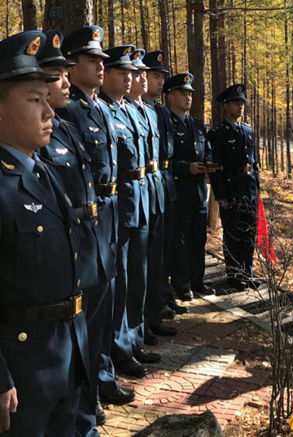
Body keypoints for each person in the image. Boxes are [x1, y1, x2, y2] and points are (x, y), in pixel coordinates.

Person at [0, 30, 88, 436]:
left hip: (65, 358)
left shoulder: (43, 171)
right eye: (35, 100)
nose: (49, 111)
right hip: (21, 373)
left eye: (46, 99)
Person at [37, 29, 113, 434]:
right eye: (57, 75)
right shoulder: (37, 137)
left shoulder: (63, 127)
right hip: (68, 252)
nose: (65, 82)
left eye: (66, 73)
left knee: (91, 333)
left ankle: (89, 401)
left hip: (90, 243)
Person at [59, 24, 134, 421]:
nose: (101, 66)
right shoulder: (67, 108)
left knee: (105, 306)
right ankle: (87, 394)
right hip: (84, 220)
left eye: (102, 60)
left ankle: (103, 378)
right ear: (71, 65)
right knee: (86, 312)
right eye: (92, 60)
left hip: (108, 213)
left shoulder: (100, 106)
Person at [99, 44, 160, 378]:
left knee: (138, 274)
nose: (130, 78)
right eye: (122, 72)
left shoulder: (130, 109)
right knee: (121, 278)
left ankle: (134, 339)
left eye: (132, 73)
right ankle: (119, 347)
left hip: (140, 198)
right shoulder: (104, 109)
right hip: (120, 202)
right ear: (106, 74)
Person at [125, 49, 177, 344]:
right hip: (132, 197)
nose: (143, 78)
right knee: (136, 269)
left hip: (153, 191)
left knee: (154, 263)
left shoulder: (150, 111)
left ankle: (149, 320)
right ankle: (134, 331)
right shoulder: (123, 109)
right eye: (139, 73)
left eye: (146, 74)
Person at [142, 50, 187, 316]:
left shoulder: (161, 111)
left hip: (166, 183)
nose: (160, 82)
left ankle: (164, 293)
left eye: (161, 77)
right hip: (149, 183)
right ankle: (154, 301)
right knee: (152, 248)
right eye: (155, 76)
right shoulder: (138, 109)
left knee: (166, 244)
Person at [165, 73, 218, 299]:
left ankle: (198, 280)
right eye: (182, 93)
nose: (188, 98)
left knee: (199, 238)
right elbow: (163, 160)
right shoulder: (166, 122)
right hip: (178, 190)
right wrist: (186, 167)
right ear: (170, 96)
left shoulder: (196, 124)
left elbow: (207, 150)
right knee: (180, 238)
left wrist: (209, 163)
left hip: (198, 190)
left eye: (190, 94)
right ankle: (182, 283)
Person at [208, 84, 260, 291]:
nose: (240, 106)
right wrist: (221, 195)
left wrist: (257, 188)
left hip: (249, 189)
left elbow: (254, 163)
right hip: (231, 190)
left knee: (249, 234)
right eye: (236, 103)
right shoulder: (218, 133)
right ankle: (235, 275)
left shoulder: (247, 130)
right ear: (225, 105)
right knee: (233, 234)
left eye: (242, 103)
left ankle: (248, 272)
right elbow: (215, 168)